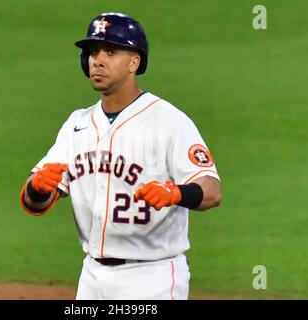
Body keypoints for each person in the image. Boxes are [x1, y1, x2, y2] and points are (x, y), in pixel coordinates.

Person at [20, 12, 222, 300]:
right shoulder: (77, 124)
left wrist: (177, 193)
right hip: (91, 276)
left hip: (153, 278)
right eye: (92, 52)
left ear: (134, 62)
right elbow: (34, 203)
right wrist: (37, 187)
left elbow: (212, 190)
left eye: (111, 51)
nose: (97, 60)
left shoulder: (169, 121)